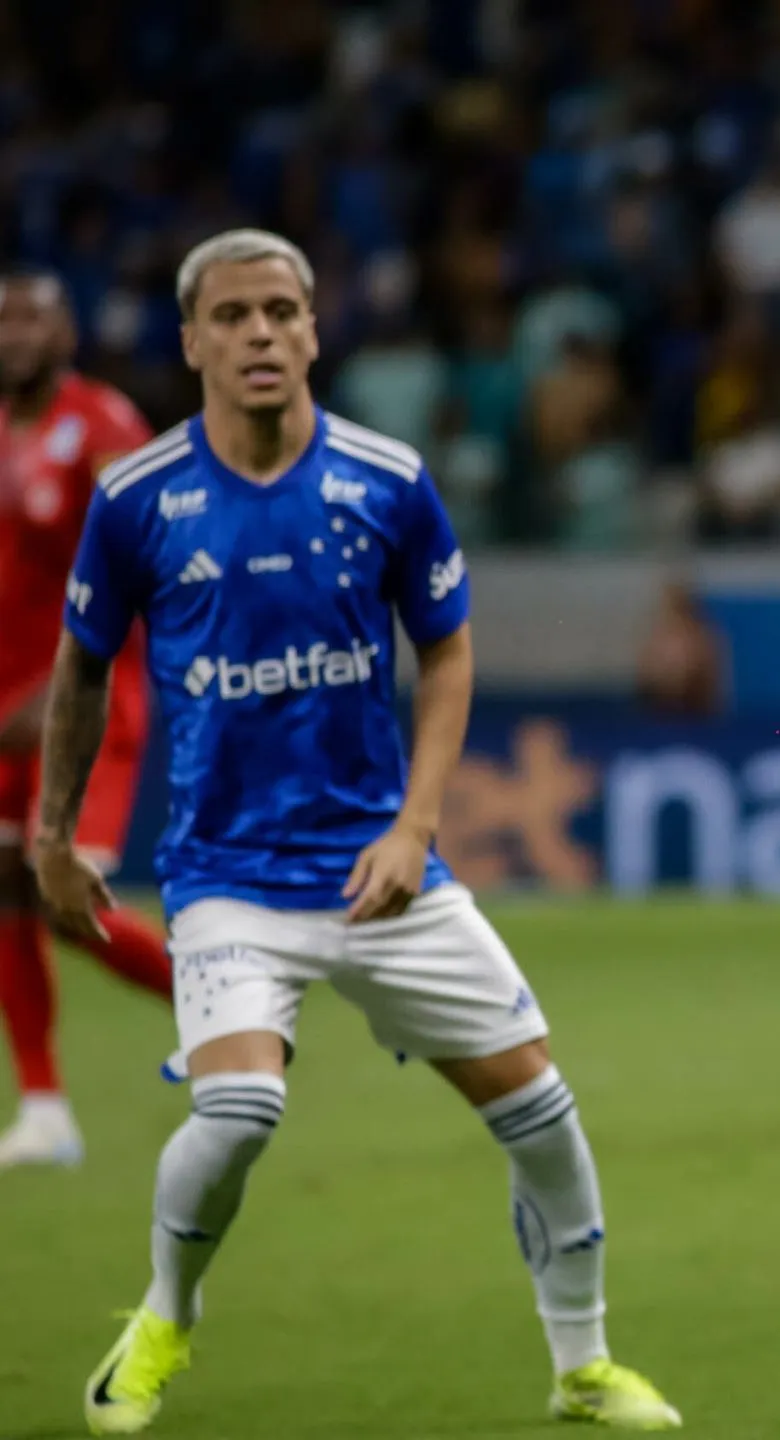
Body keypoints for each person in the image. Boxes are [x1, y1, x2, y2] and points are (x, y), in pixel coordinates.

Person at [34, 230, 680, 1434]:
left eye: (283, 310)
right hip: (227, 877)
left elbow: (445, 653)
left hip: (384, 873)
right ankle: (167, 1313)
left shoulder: (385, 479)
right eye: (233, 317)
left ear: (316, 329)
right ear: (193, 343)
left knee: (542, 1115)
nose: (262, 333)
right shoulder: (137, 500)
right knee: (238, 1116)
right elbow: (81, 671)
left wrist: (414, 822)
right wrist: (52, 832)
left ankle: (582, 1365)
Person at [0, 268, 175, 1170]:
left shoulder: (103, 429)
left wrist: (66, 682)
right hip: (1, 720)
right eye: (4, 318)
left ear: (66, 332)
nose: (14, 332)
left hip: (87, 705)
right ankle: (43, 1107)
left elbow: (150, 562)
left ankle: (223, 1017)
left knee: (63, 890)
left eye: (32, 316)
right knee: (4, 896)